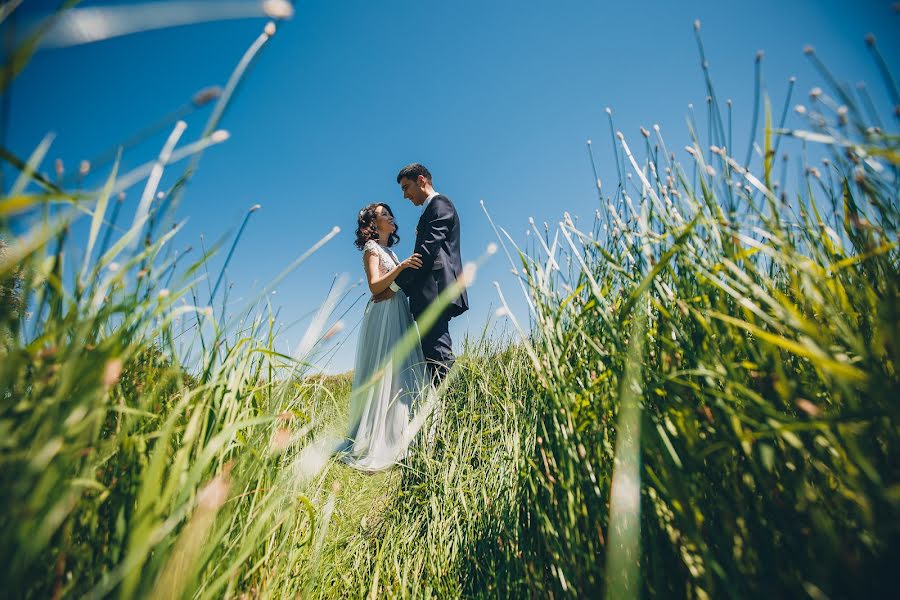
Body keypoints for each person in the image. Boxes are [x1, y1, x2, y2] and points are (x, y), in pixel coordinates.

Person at [340, 203, 428, 471]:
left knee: (402, 370)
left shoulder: (390, 250)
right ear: (372, 224)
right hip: (383, 314)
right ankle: (379, 439)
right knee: (387, 369)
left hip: (398, 308)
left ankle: (402, 434)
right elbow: (375, 286)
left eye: (390, 214)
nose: (391, 217)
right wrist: (401, 267)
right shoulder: (372, 249)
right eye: (384, 215)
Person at [379, 163, 468, 385]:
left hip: (435, 292)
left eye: (406, 187)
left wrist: (394, 287)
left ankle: (454, 412)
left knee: (439, 355)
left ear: (421, 180)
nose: (404, 194)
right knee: (432, 355)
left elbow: (426, 254)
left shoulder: (440, 204)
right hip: (428, 294)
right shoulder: (429, 210)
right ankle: (444, 410)